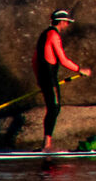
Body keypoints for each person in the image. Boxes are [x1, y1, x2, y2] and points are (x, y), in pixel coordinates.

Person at [36, 10, 92, 151]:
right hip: (49, 78)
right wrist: (80, 70)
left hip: (45, 77)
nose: (67, 24)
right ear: (61, 21)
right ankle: (47, 145)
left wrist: (39, 78)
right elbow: (63, 60)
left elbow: (34, 60)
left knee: (53, 108)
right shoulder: (54, 35)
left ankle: (46, 144)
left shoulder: (44, 34)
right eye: (67, 22)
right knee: (54, 108)